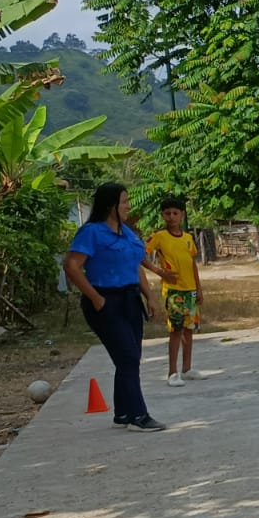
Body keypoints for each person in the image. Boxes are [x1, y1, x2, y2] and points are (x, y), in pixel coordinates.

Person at [63, 182, 168, 432]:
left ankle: (122, 413)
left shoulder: (127, 233)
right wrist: (96, 298)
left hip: (130, 299)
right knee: (127, 357)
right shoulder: (92, 232)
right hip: (106, 301)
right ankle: (138, 416)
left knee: (130, 358)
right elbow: (71, 266)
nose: (129, 206)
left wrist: (150, 297)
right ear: (111, 206)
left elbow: (134, 265)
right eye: (124, 201)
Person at [145, 196, 204, 387]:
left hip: (190, 290)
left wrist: (199, 288)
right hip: (173, 291)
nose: (171, 217)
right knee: (176, 330)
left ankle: (187, 368)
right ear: (162, 215)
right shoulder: (159, 237)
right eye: (167, 213)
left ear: (182, 215)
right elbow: (140, 254)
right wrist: (159, 271)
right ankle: (172, 372)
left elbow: (192, 263)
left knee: (189, 329)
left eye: (175, 213)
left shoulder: (188, 238)